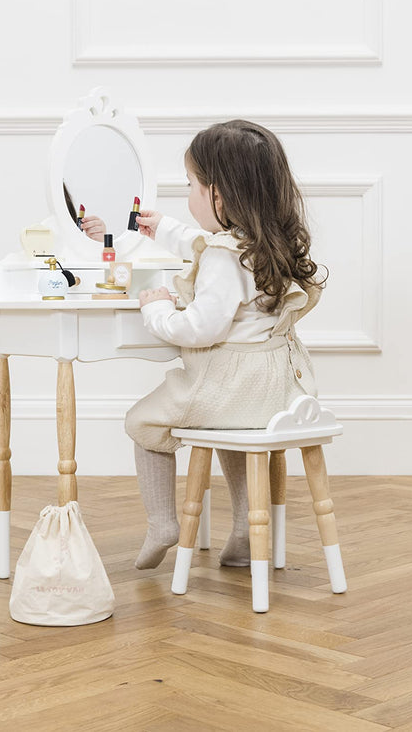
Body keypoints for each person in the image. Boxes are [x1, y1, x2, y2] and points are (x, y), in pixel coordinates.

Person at [125, 120, 327, 570]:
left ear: (217, 195)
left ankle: (162, 523)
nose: (188, 194)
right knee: (235, 432)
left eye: (191, 185)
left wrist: (157, 310)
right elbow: (206, 242)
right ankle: (243, 530)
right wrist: (163, 229)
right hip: (279, 392)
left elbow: (200, 328)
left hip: (230, 387)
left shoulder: (221, 258)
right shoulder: (269, 243)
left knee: (141, 421)